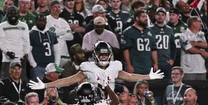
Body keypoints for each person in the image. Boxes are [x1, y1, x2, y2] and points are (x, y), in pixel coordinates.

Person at [28, 41, 163, 92]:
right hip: (93, 104)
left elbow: (129, 76)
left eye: (105, 55)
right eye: (101, 54)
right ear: (96, 55)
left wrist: (149, 76)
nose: (103, 57)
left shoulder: (115, 66)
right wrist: (46, 86)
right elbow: (68, 80)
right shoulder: (88, 67)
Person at [121, 10, 158, 75]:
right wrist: (129, 65)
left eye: (146, 17)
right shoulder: (128, 32)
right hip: (135, 66)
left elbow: (153, 49)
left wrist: (155, 63)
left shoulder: (150, 31)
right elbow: (126, 50)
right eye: (143, 17)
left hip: (148, 66)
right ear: (137, 18)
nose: (145, 19)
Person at [0, 5, 29, 79]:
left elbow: (26, 41)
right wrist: (7, 52)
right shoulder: (2, 26)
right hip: (7, 60)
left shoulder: (24, 25)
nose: (13, 15)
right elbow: (1, 42)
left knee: (22, 82)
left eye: (15, 13)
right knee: (5, 82)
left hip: (21, 59)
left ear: (18, 14)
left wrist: (26, 53)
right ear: (7, 15)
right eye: (11, 13)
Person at [28, 14, 60, 80]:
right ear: (36, 21)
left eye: (43, 21)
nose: (41, 22)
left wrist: (56, 65)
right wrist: (34, 65)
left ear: (46, 22)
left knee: (52, 86)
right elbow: (28, 50)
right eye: (39, 21)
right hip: (39, 66)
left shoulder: (52, 34)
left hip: (51, 67)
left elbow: (57, 50)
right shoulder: (31, 34)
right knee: (39, 87)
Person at [179, 16, 208, 81]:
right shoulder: (184, 35)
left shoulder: (202, 34)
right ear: (194, 23)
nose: (201, 23)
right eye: (199, 22)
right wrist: (202, 52)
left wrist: (195, 43)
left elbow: (207, 45)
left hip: (202, 69)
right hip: (188, 71)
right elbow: (189, 48)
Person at [46, 0, 74, 66]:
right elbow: (50, 35)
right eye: (55, 7)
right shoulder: (46, 19)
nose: (57, 9)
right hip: (52, 53)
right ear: (50, 8)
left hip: (64, 53)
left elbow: (71, 36)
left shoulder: (63, 21)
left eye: (59, 7)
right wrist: (63, 32)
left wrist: (59, 36)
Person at [151, 7, 176, 78]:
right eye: (158, 14)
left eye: (162, 15)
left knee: (168, 83)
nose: (160, 17)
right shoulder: (150, 29)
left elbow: (173, 46)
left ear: (165, 16)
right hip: (155, 62)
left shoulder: (169, 30)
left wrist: (172, 59)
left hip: (167, 62)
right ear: (155, 16)